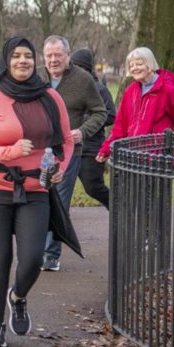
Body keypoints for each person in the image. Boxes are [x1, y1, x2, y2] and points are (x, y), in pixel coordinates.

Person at [0, 36, 74, 347]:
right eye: (16, 56)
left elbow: (65, 140)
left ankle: (19, 296)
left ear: (35, 61)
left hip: (36, 187)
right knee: (0, 258)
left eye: (28, 56)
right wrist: (10, 151)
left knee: (32, 257)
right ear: (6, 60)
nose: (22, 61)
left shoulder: (50, 97)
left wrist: (59, 171)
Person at [40, 36, 106, 272]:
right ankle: (35, 250)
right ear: (44, 57)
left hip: (68, 151)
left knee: (58, 201)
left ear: (68, 55)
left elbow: (101, 112)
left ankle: (50, 254)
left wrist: (83, 131)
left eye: (58, 55)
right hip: (37, 150)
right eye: (49, 55)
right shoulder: (36, 78)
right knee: (37, 200)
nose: (54, 59)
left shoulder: (83, 80)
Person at [96, 47, 174, 163]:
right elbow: (120, 127)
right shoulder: (130, 91)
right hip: (132, 156)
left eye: (139, 64)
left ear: (149, 64)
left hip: (158, 159)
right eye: (131, 65)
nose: (134, 68)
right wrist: (106, 149)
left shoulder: (169, 91)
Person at [70, 49, 116, 209]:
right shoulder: (67, 87)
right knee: (59, 191)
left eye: (77, 66)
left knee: (93, 188)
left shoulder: (99, 88)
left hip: (90, 148)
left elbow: (111, 114)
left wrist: (85, 122)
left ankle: (119, 209)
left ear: (85, 68)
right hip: (67, 148)